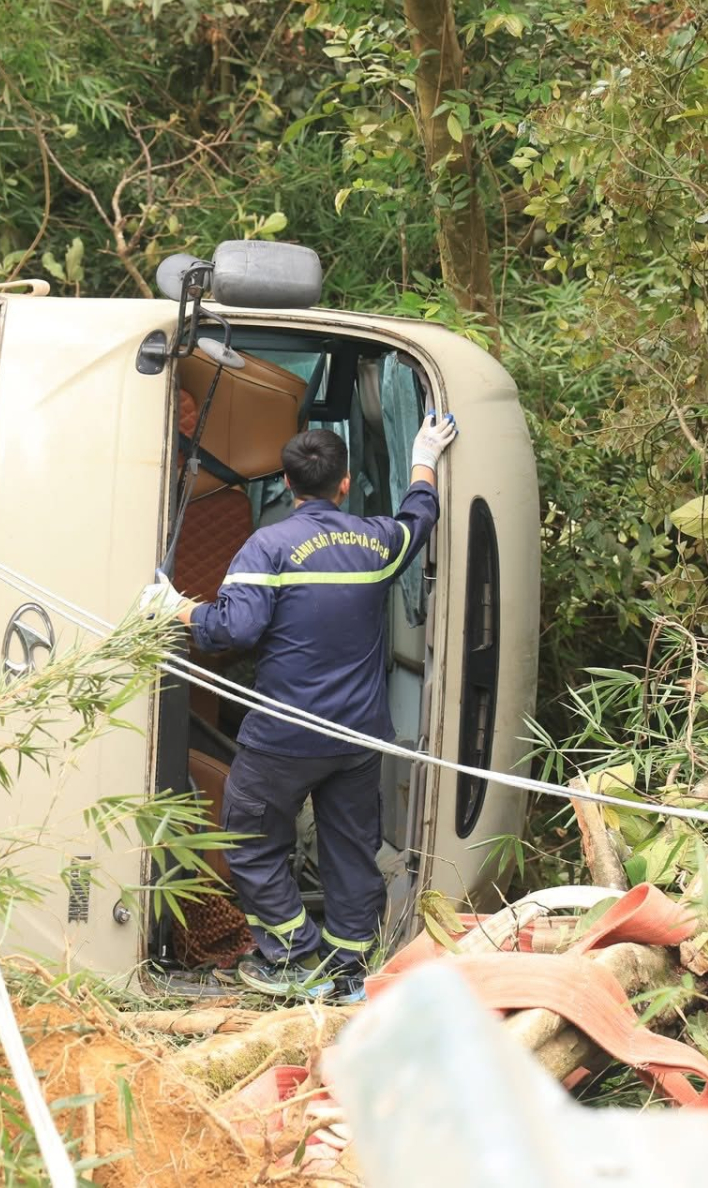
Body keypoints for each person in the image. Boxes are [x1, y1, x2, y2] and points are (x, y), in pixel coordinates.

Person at [139, 411, 460, 1002]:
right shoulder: (377, 541)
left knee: (249, 838)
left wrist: (174, 608)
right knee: (350, 852)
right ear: (345, 483)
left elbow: (233, 630)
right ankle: (348, 972)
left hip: (285, 738)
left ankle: (291, 957)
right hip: (358, 740)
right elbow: (420, 514)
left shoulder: (269, 546)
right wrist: (424, 456)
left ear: (287, 486)